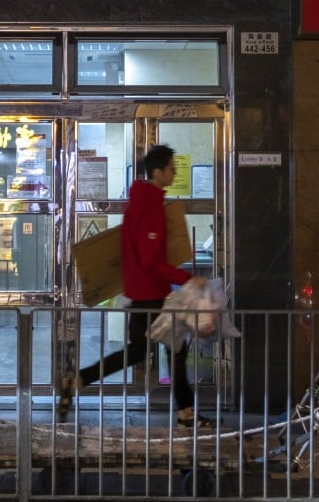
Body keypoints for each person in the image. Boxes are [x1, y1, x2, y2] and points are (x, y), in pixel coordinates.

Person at [58, 144, 212, 428]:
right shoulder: (148, 206)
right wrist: (187, 279)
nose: (174, 172)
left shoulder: (140, 203)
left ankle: (78, 380)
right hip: (151, 295)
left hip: (145, 294)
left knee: (149, 351)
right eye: (170, 168)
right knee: (168, 350)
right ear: (158, 172)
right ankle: (186, 414)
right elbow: (151, 260)